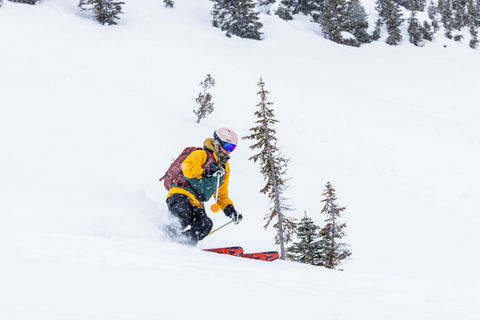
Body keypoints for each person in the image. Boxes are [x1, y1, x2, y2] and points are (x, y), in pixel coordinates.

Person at [165, 127, 242, 245]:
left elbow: (221, 194)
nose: (229, 151)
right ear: (217, 143)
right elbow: (187, 168)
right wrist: (207, 172)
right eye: (227, 147)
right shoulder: (201, 154)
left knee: (205, 224)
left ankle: (183, 244)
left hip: (197, 202)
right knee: (181, 219)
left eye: (233, 148)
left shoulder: (224, 168)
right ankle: (161, 236)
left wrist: (230, 211)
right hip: (180, 194)